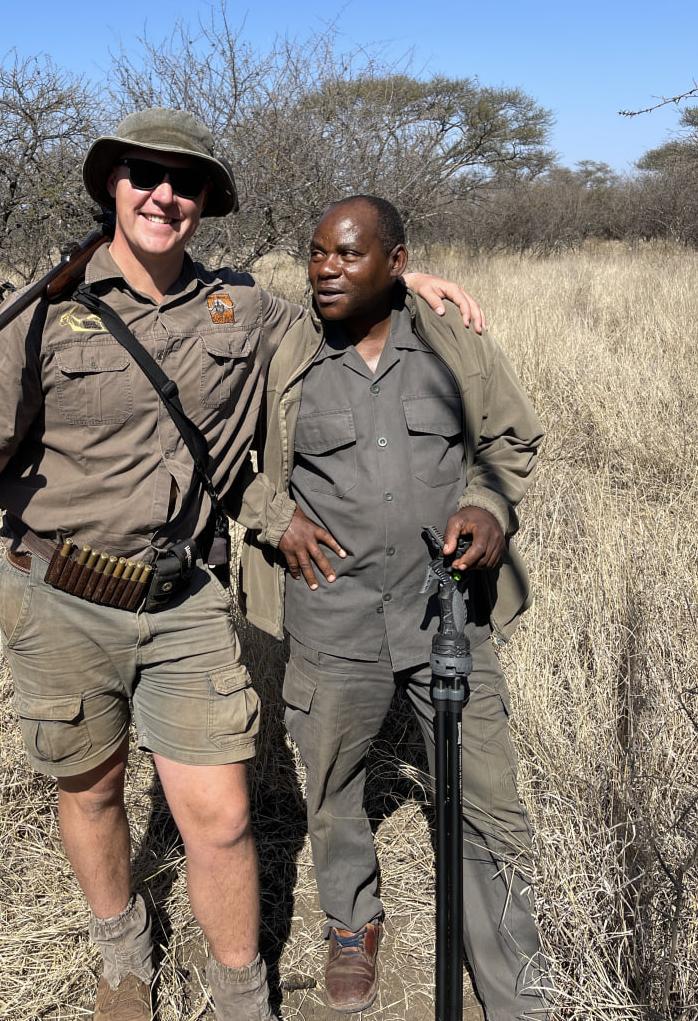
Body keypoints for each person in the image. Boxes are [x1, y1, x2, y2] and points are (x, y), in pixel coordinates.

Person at [0, 112, 482, 1021]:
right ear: (112, 185)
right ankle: (122, 952)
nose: (162, 194)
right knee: (89, 789)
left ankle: (241, 989)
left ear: (206, 204)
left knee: (222, 816)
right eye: (142, 174)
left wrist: (411, 284)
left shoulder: (241, 307)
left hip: (184, 599)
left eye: (186, 182)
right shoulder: (42, 307)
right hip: (57, 595)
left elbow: (343, 311)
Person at [233, 196, 552, 1019]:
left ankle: (510, 977)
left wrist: (487, 505)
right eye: (314, 256)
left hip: (446, 611)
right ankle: (352, 922)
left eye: (346, 255)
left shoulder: (453, 340)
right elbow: (220, 451)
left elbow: (511, 437)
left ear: (397, 262)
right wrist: (276, 517)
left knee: (485, 798)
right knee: (333, 783)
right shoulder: (283, 348)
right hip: (331, 616)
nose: (325, 270)